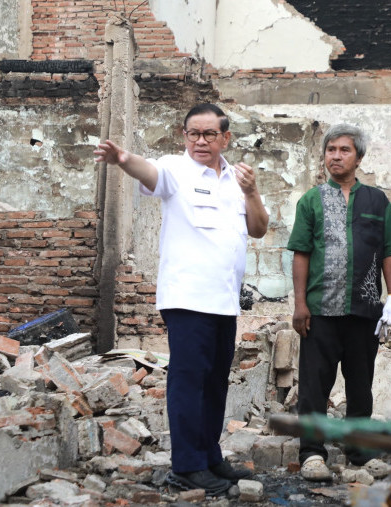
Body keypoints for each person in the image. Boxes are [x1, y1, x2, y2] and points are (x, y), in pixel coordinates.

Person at [94, 103, 269, 496]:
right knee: (189, 382)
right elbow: (149, 172)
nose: (200, 141)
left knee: (215, 383)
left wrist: (251, 191)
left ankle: (209, 456)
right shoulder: (176, 169)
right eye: (193, 133)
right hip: (188, 299)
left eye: (209, 134)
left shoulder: (237, 178)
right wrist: (123, 158)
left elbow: (258, 228)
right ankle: (187, 467)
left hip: (224, 300)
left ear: (225, 137)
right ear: (184, 135)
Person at [287, 124, 391, 481]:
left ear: (359, 157)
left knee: (360, 386)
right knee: (314, 386)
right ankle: (312, 453)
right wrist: (300, 304)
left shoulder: (376, 201)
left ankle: (359, 453)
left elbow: (389, 253)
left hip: (364, 311)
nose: (336, 156)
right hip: (320, 311)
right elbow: (301, 253)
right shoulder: (311, 200)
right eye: (331, 150)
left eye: (344, 150)